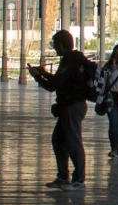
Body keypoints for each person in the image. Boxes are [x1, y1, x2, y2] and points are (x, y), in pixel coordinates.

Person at [29, 28, 96, 188]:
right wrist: (43, 73)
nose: (54, 47)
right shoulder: (73, 59)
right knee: (58, 140)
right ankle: (63, 176)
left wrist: (37, 77)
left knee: (73, 142)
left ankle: (79, 179)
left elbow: (53, 86)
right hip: (70, 105)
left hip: (73, 106)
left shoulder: (70, 61)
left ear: (61, 44)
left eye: (54, 44)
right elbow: (60, 81)